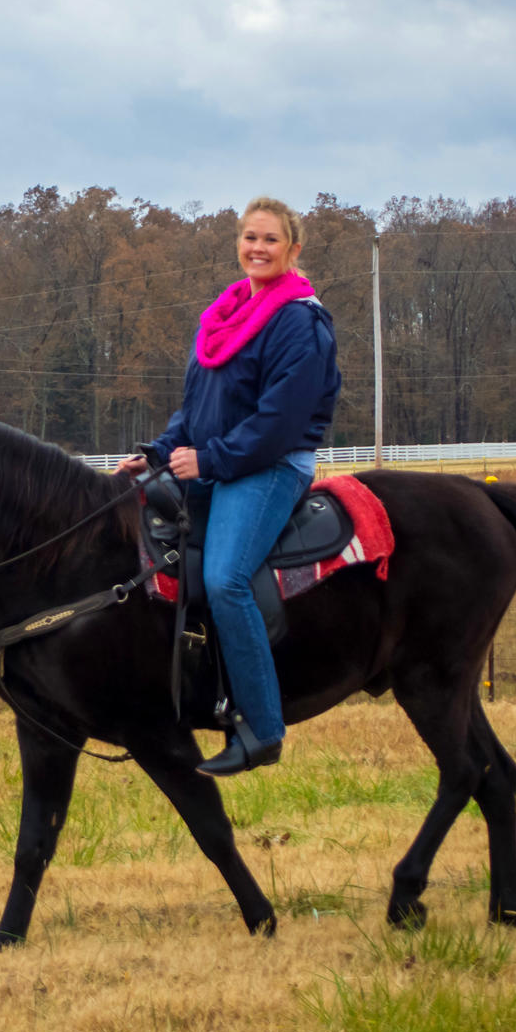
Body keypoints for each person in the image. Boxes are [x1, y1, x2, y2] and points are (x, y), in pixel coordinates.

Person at [119, 197, 341, 775]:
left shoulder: (301, 321)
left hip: (269, 467)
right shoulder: (226, 316)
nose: (257, 248)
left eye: (270, 240)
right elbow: (197, 409)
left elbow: (278, 422)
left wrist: (211, 460)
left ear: (293, 250)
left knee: (225, 579)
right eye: (249, 237)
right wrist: (155, 455)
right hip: (218, 461)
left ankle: (263, 728)